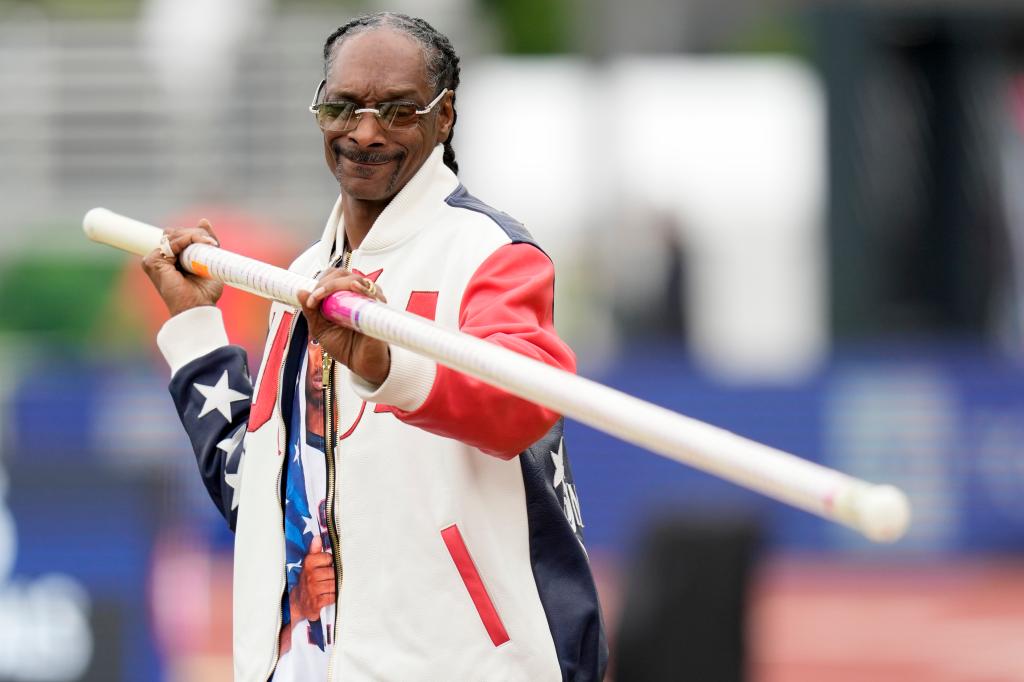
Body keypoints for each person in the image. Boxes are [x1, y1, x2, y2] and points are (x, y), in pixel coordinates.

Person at [142, 11, 606, 682]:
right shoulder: (299, 278)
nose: (364, 132)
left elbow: (528, 401)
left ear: (444, 117)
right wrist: (194, 335)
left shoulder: (490, 253)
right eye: (343, 106)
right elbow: (267, 499)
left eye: (397, 111)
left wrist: (388, 365)